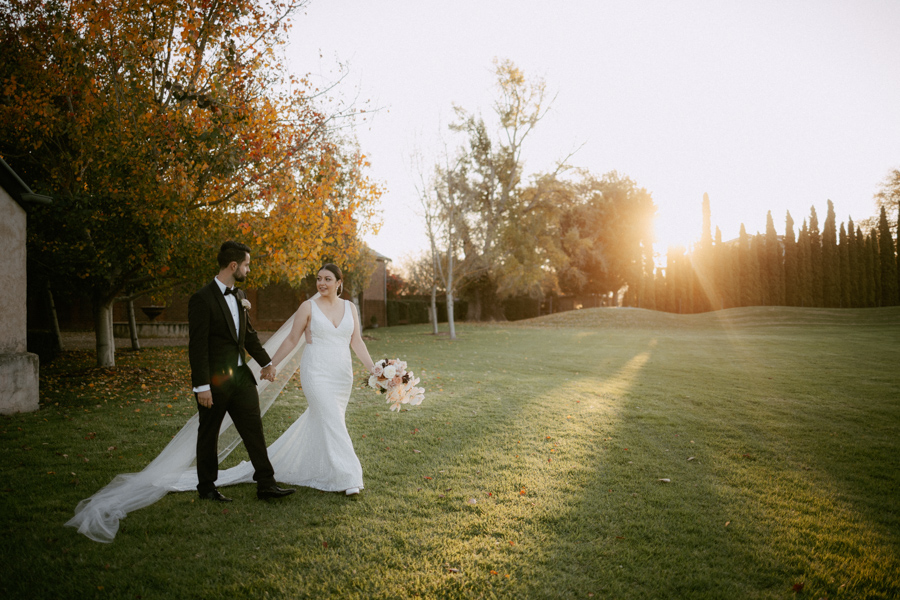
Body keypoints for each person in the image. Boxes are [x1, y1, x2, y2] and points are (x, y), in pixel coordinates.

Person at [188, 241, 295, 502]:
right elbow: (197, 346)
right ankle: (207, 487)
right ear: (233, 265)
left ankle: (266, 484)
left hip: (241, 378)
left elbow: (248, 337)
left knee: (254, 429)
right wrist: (202, 386)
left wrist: (267, 363)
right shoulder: (201, 299)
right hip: (214, 382)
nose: (248, 270)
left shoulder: (240, 296)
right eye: (246, 265)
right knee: (209, 432)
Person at [258, 263, 376, 496]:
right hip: (316, 372)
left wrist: (373, 369)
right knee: (331, 419)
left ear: (339, 283)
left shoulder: (350, 307)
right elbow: (292, 339)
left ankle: (317, 468)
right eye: (319, 279)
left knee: (329, 420)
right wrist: (273, 364)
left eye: (328, 279)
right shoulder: (308, 307)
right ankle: (349, 476)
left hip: (342, 375)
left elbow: (357, 341)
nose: (322, 283)